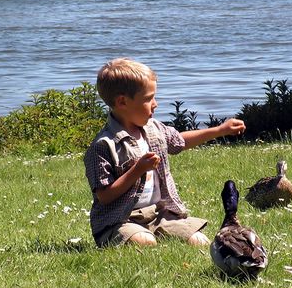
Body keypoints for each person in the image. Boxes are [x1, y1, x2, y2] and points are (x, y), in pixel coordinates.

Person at [84, 58, 246, 248]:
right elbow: (104, 196)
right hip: (121, 220)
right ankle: (134, 236)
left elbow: (180, 141)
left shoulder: (154, 129)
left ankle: (162, 232)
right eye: (148, 98)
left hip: (160, 215)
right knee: (144, 241)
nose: (155, 104)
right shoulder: (104, 146)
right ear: (122, 102)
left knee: (198, 241)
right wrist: (137, 170)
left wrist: (219, 130)